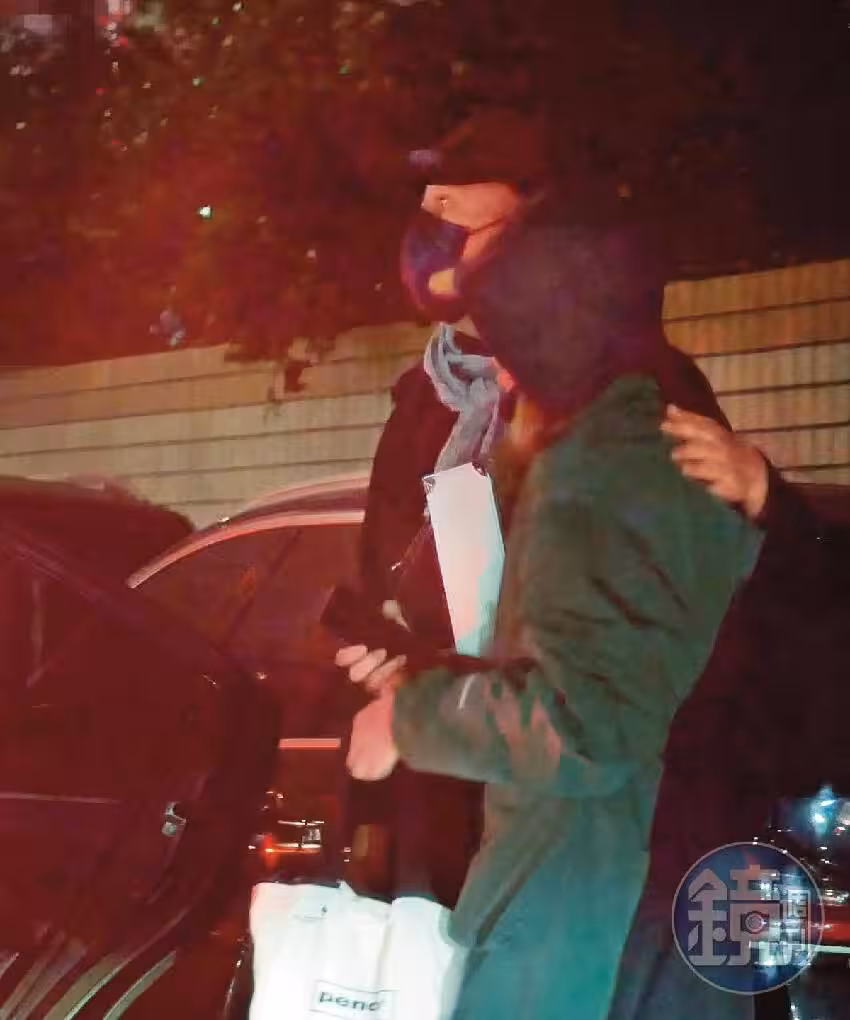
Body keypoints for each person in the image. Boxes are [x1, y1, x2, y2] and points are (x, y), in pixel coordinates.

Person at [337, 109, 763, 1020]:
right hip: (539, 833)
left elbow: (590, 709)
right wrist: (416, 668)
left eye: (464, 205)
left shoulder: (619, 446)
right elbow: (553, 631)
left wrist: (416, 716)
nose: (437, 220)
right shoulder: (534, 423)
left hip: (593, 883)